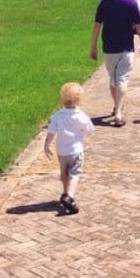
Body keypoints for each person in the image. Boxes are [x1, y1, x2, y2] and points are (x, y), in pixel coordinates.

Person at [90, 0, 140, 127]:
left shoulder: (105, 2)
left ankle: (117, 107)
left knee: (114, 79)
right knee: (121, 79)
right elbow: (139, 25)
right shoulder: (131, 2)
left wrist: (93, 46)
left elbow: (97, 25)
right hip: (126, 47)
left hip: (109, 47)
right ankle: (118, 113)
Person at [43, 82, 94, 214]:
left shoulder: (58, 115)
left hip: (62, 152)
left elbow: (51, 131)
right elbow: (90, 130)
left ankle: (65, 192)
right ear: (79, 100)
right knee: (75, 174)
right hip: (76, 151)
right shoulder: (81, 116)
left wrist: (46, 145)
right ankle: (69, 196)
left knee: (64, 173)